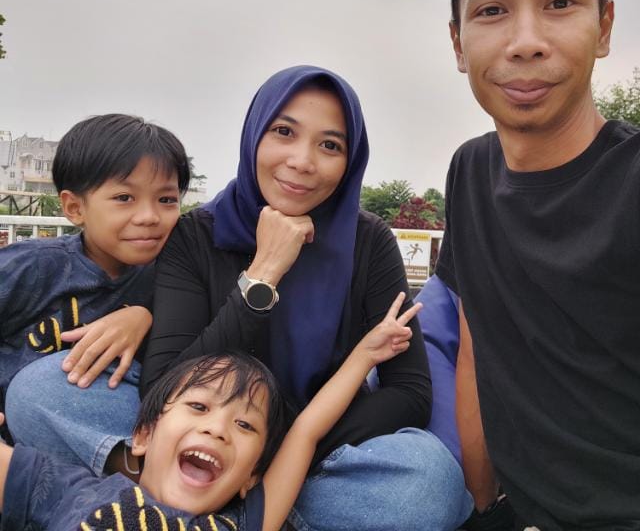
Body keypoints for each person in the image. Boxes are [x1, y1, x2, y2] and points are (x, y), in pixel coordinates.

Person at [140, 65, 472, 530]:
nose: (302, 161)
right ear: (254, 135)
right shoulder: (196, 236)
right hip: (203, 444)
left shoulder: (367, 242)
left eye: (330, 145)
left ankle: (222, 509)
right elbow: (163, 387)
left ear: (350, 161)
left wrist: (284, 450)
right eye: (284, 132)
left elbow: (409, 391)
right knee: (52, 390)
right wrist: (264, 273)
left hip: (319, 453)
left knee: (426, 480)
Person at [437, 0, 640, 529]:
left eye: (560, 3)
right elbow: (475, 343)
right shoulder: (470, 171)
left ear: (603, 26)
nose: (526, 42)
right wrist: (480, 500)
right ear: (458, 43)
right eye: (492, 10)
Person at [1, 293, 422, 531]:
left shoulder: (249, 522)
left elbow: (305, 431)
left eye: (244, 424)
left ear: (252, 477)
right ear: (143, 435)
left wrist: (364, 356)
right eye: (199, 406)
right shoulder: (71, 490)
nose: (218, 429)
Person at [2, 113, 190, 476]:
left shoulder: (173, 274)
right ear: (75, 208)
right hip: (18, 443)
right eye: (124, 197)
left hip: (100, 446)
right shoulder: (35, 267)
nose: (149, 216)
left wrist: (144, 314)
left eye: (167, 199)